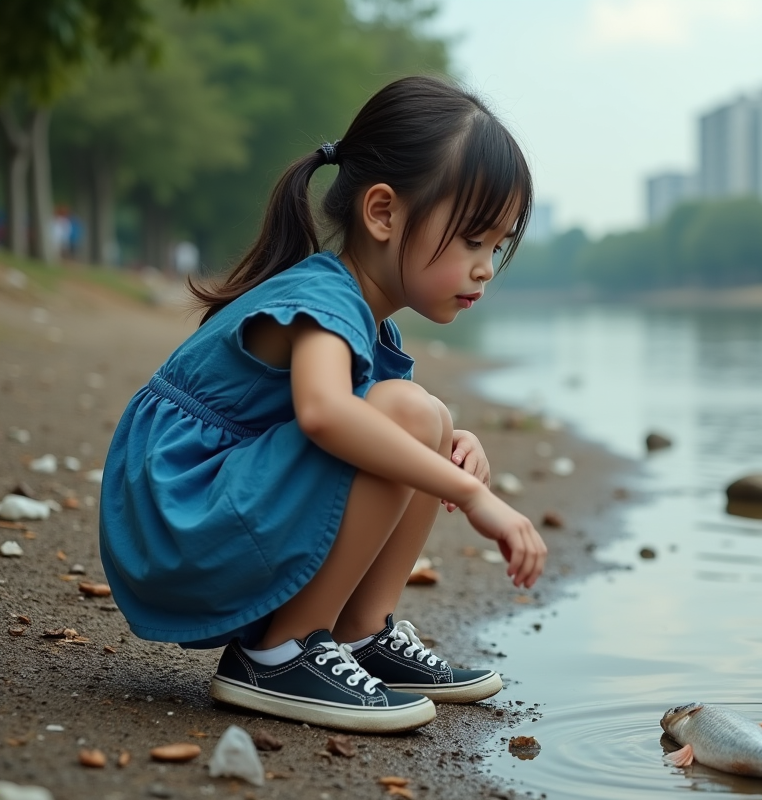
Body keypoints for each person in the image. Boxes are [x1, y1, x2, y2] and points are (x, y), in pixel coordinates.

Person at [98, 76, 547, 734]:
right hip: (177, 518)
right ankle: (279, 653)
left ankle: (361, 636)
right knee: (411, 415)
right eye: (473, 239)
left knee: (428, 420)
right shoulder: (326, 296)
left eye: (498, 247)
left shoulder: (362, 317)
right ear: (384, 213)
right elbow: (326, 414)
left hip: (212, 507)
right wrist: (475, 497)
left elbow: (359, 422)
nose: (485, 267)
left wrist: (449, 447)